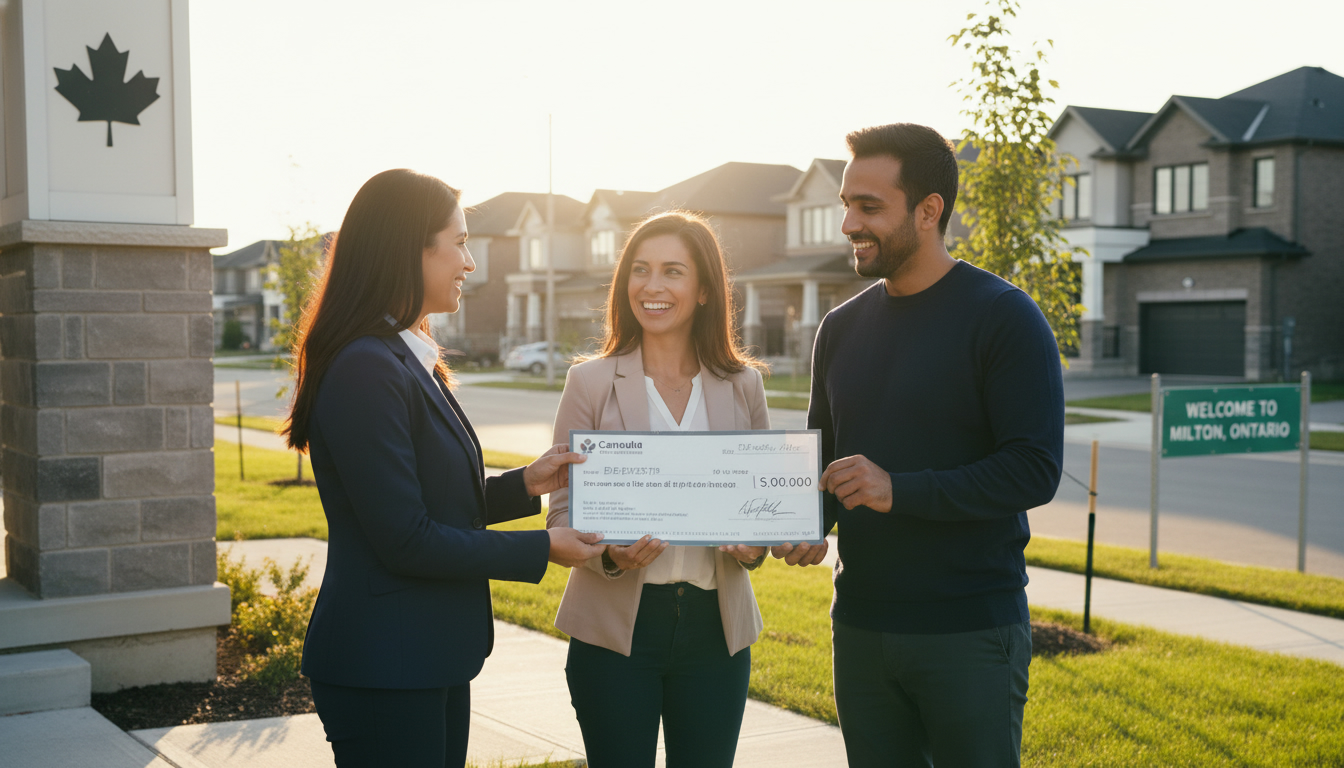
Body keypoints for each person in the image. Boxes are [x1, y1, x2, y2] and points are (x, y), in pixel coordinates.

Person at [283, 169, 606, 768]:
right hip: (385, 666)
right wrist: (543, 549)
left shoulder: (402, 355)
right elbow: (406, 539)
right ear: (410, 248)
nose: (470, 263)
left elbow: (430, 501)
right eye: (458, 242)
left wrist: (527, 484)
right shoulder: (367, 366)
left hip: (419, 657)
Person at [774, 124, 1064, 767]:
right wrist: (796, 521)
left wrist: (898, 489)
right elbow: (822, 461)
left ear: (929, 210)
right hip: (860, 627)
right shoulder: (840, 328)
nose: (848, 223)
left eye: (868, 207)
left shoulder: (1004, 316)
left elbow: (1034, 469)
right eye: (847, 204)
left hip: (968, 629)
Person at [547, 211, 770, 768]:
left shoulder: (745, 386)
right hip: (616, 631)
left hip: (715, 633)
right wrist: (611, 557)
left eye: (673, 271)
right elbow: (562, 515)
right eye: (640, 270)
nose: (652, 286)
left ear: (702, 291)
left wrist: (755, 546)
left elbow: (762, 509)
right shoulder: (589, 382)